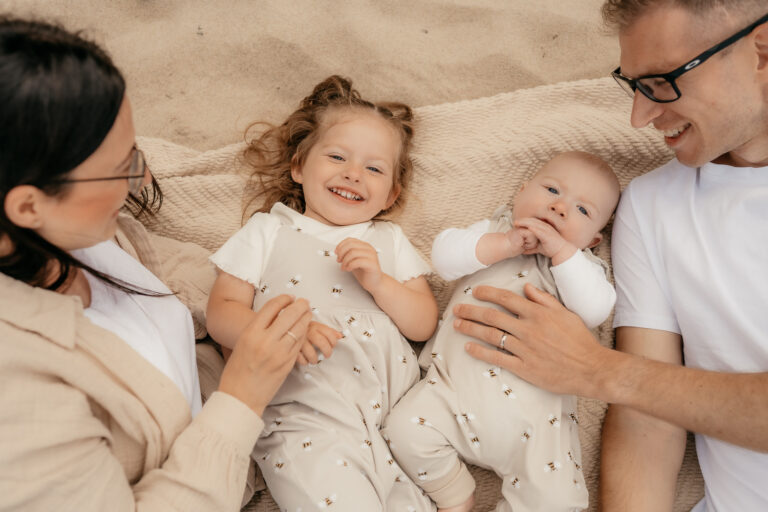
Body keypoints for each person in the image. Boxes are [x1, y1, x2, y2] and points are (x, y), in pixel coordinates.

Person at [451, 1, 768, 511]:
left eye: (663, 81)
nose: (639, 116)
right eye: (634, 84)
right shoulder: (649, 204)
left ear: (762, 50)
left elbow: (628, 382)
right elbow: (647, 417)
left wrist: (598, 370)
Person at [0, 17, 312, 511]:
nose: (142, 174)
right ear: (28, 206)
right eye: (121, 165)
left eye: (135, 148)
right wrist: (241, 398)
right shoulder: (20, 411)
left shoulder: (65, 226)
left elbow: (156, 266)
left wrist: (237, 303)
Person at [205, 75, 440, 512]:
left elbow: (424, 324)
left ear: (391, 195)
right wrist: (285, 333)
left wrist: (379, 282)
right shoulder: (269, 229)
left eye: (374, 168)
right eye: (337, 157)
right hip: (303, 416)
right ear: (298, 167)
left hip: (396, 424)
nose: (353, 173)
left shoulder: (388, 242)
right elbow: (220, 312)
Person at [383, 151, 620, 512]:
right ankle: (455, 495)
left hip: (536, 423)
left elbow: (595, 310)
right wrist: (504, 244)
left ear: (592, 241)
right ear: (521, 193)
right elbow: (444, 258)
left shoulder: (583, 267)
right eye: (552, 189)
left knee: (555, 500)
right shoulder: (494, 231)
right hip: (451, 395)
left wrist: (561, 253)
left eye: (582, 211)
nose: (560, 208)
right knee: (403, 429)